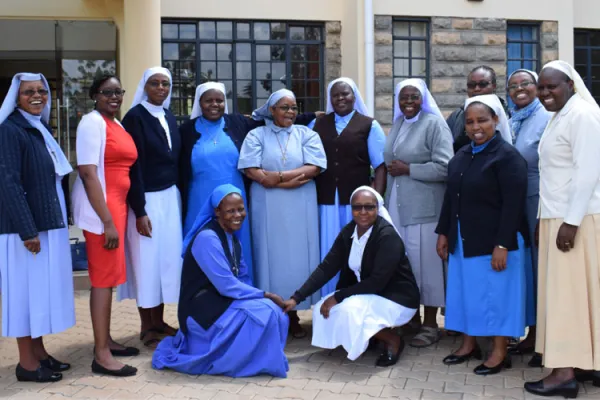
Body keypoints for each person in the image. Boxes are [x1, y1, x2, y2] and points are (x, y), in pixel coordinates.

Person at [179, 83, 317, 283]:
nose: (214, 104)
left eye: (219, 100)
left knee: (237, 247)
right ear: (200, 103)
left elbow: (272, 118)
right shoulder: (186, 131)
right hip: (199, 199)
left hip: (235, 199)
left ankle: (241, 297)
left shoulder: (236, 123)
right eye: (209, 100)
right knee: (202, 245)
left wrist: (311, 116)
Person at [152, 184, 289, 378]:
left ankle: (260, 360)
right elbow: (226, 285)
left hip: (224, 301)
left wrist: (260, 298)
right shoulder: (208, 238)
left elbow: (243, 278)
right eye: (230, 211)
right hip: (202, 310)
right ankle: (242, 362)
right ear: (217, 212)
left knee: (276, 312)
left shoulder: (233, 238)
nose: (238, 215)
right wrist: (264, 295)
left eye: (241, 209)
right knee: (264, 314)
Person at [436, 94, 530, 376]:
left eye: (483, 120)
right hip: (463, 241)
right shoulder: (462, 154)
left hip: (495, 243)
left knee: (497, 297)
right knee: (466, 294)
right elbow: (451, 198)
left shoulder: (507, 157)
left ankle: (499, 352)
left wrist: (502, 244)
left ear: (496, 120)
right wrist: (443, 233)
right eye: (470, 122)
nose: (476, 127)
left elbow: (514, 206)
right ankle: (468, 344)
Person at [524, 61, 600, 399]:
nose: (544, 93)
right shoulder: (560, 116)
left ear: (570, 83)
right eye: (541, 88)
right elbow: (552, 177)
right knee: (569, 297)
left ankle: (564, 373)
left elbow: (588, 172)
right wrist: (544, 219)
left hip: (577, 219)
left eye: (550, 87)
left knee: (568, 298)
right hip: (558, 216)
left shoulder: (582, 115)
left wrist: (569, 223)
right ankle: (580, 362)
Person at [283, 186, 420, 367]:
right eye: (357, 207)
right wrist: (296, 298)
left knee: (348, 310)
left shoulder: (387, 236)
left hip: (397, 298)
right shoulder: (349, 232)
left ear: (377, 208)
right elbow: (326, 268)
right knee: (322, 310)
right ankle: (369, 336)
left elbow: (377, 282)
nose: (363, 212)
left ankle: (392, 340)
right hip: (371, 295)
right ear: (351, 209)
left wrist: (338, 296)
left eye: (369, 207)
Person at [0, 73, 75, 382]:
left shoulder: (37, 127)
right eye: (28, 91)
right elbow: (8, 182)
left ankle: (39, 353)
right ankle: (26, 364)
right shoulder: (10, 130)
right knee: (23, 294)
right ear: (15, 97)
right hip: (23, 231)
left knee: (38, 293)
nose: (37, 95)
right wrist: (27, 230)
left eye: (42, 91)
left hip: (44, 226)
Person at [238, 88, 327, 338]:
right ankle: (272, 313)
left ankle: (294, 312)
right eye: (284, 107)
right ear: (272, 110)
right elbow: (250, 168)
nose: (290, 112)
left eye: (293, 108)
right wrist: (280, 181)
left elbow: (315, 167)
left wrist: (276, 178)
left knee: (298, 256)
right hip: (267, 205)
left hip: (300, 203)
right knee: (271, 255)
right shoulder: (257, 134)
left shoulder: (306, 133)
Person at [72, 74, 138, 377]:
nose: (114, 96)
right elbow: (87, 173)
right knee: (101, 280)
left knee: (109, 279)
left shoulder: (117, 124)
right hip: (103, 213)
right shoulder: (91, 122)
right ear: (95, 95)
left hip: (117, 210)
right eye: (107, 92)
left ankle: (106, 340)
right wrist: (107, 221)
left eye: (118, 92)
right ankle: (100, 355)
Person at [384, 79, 453, 348]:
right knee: (406, 264)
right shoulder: (399, 123)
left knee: (428, 266)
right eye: (403, 98)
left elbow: (445, 167)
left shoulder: (434, 124)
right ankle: (410, 317)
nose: (408, 102)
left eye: (414, 97)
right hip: (398, 206)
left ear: (422, 98)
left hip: (425, 209)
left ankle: (430, 324)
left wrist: (410, 169)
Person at [116, 67, 182, 349]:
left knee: (166, 260)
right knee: (147, 261)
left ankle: (160, 321)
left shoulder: (168, 115)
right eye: (154, 83)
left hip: (170, 197)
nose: (160, 88)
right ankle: (147, 327)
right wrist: (140, 210)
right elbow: (135, 166)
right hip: (148, 200)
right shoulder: (135, 117)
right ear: (145, 87)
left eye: (165, 84)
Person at [307, 77, 387, 296]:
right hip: (325, 202)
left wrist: (375, 202)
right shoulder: (317, 124)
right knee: (328, 251)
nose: (340, 98)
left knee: (357, 251)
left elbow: (380, 166)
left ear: (354, 96)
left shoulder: (369, 124)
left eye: (345, 94)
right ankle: (327, 301)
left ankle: (354, 301)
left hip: (356, 204)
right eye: (335, 95)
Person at [506, 69, 552, 368]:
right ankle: (534, 333)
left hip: (539, 203)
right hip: (516, 203)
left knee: (543, 271)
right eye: (513, 86)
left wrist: (543, 214)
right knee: (528, 270)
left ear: (537, 87)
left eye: (525, 84)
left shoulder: (546, 118)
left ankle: (548, 341)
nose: (519, 89)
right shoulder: (513, 119)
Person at [446, 65, 512, 152]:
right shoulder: (457, 115)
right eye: (471, 85)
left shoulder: (505, 113)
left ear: (494, 86)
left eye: (483, 84)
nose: (477, 89)